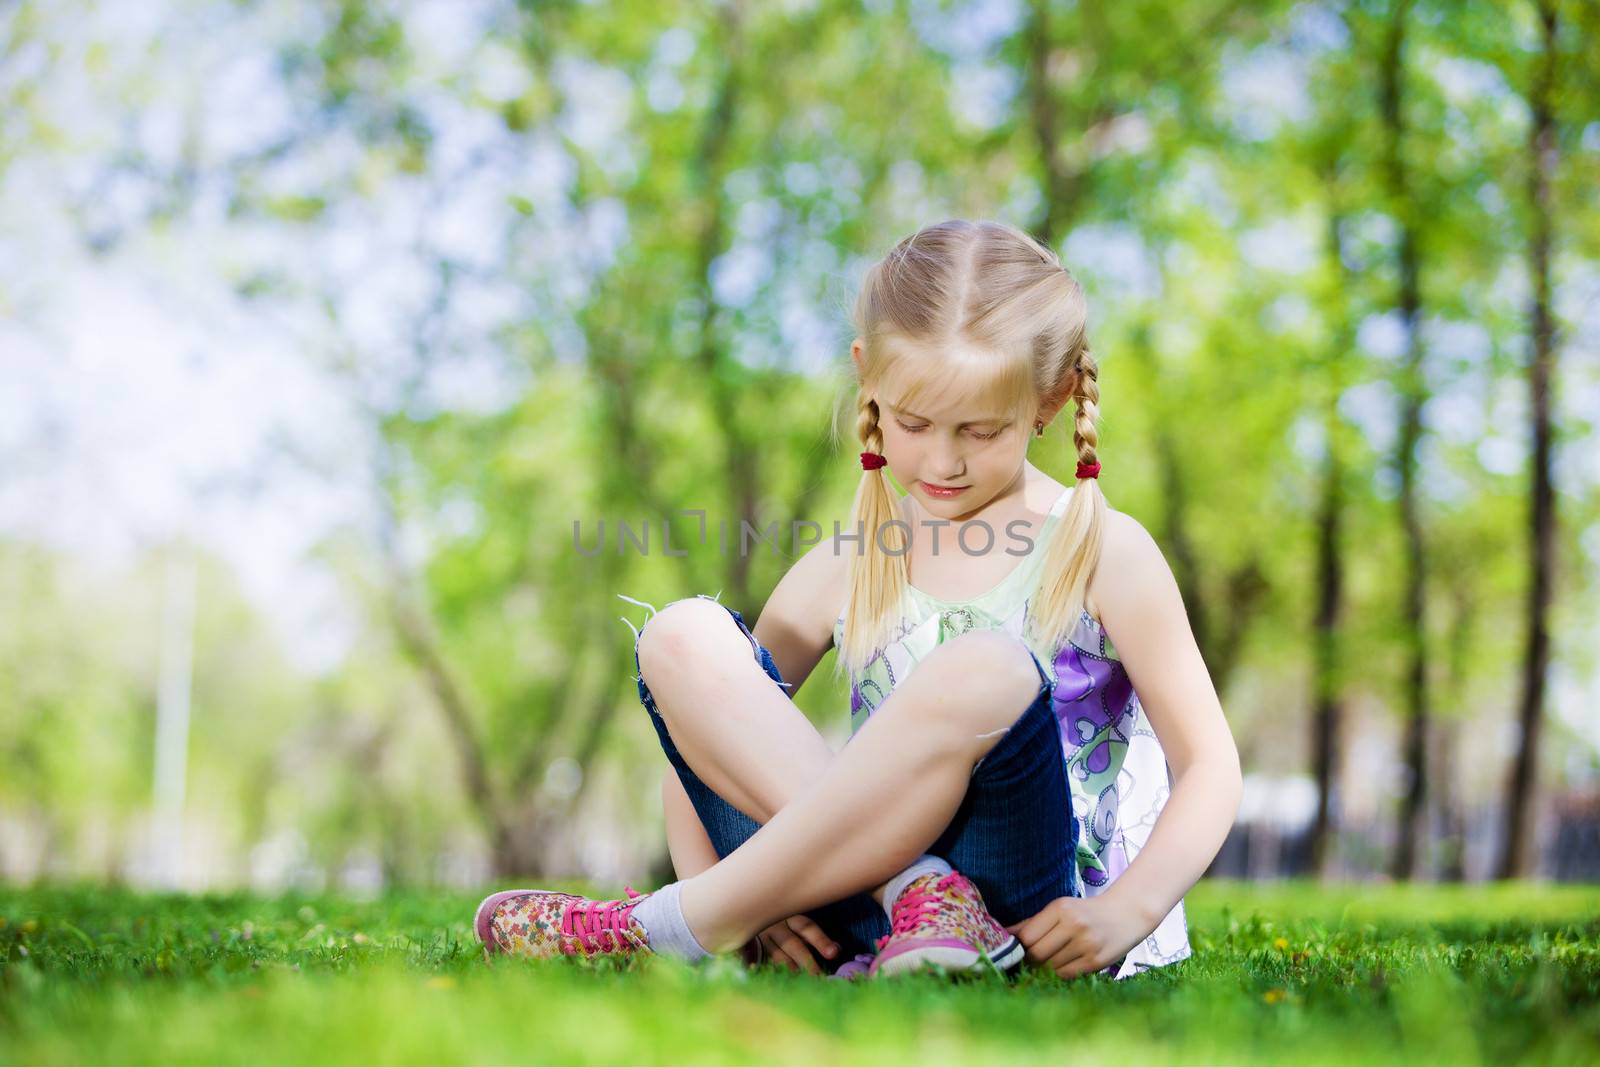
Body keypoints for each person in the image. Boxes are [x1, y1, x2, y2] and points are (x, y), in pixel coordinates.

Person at [474, 219, 1242, 981]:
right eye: (914, 423)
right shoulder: (851, 558)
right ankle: (890, 894)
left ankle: (671, 923)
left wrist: (1128, 911)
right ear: (867, 375)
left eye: (979, 430)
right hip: (869, 898)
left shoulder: (1101, 547)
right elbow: (708, 742)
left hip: (1033, 904)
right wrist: (759, 900)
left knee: (984, 669)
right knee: (682, 636)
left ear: (1051, 398)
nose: (942, 459)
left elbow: (1209, 763)